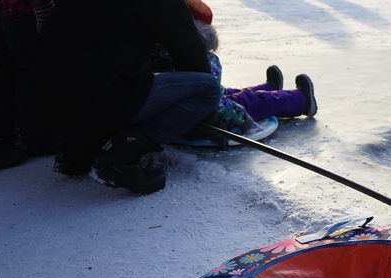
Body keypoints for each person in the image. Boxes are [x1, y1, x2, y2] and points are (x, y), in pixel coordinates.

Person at [34, 0, 222, 193]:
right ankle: (122, 153)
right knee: (207, 88)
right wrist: (207, 118)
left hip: (47, 103)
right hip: (93, 103)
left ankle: (77, 153)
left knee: (127, 62)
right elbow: (189, 53)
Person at [153, 0, 316, 143]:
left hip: (176, 109)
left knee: (229, 92)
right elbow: (214, 102)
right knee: (249, 102)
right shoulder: (206, 60)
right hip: (205, 117)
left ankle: (268, 87)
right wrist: (244, 120)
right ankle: (301, 100)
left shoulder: (157, 52)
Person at [0, 0, 54, 171]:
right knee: (29, 68)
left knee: (2, 67)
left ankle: (2, 135)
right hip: (20, 9)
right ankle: (34, 138)